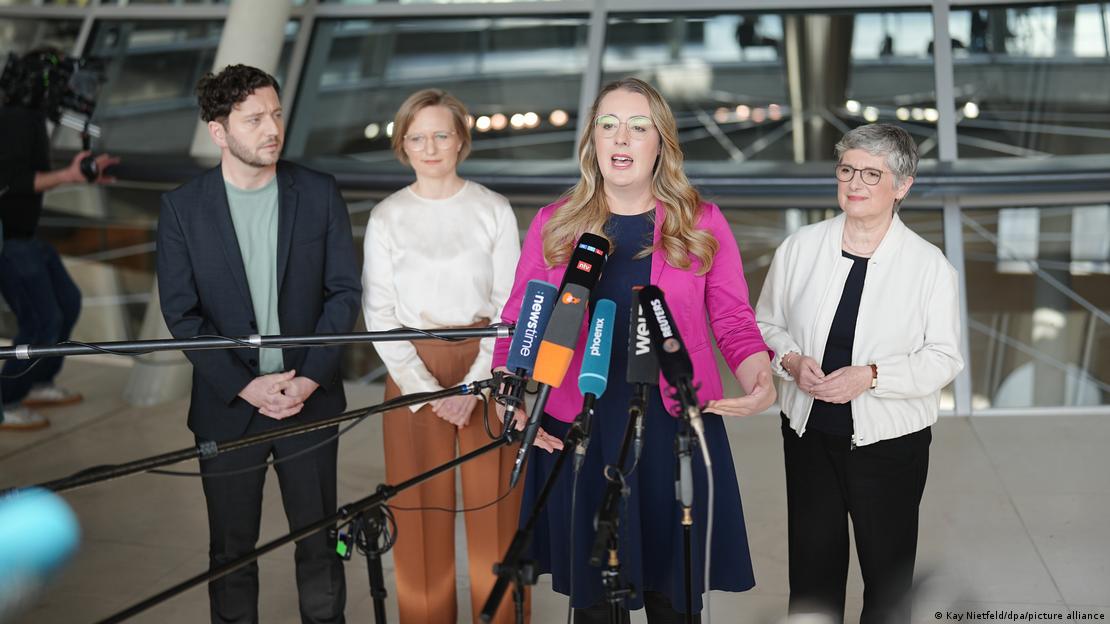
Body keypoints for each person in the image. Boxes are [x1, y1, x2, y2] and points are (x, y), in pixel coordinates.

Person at [492, 77, 776, 622]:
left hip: (671, 426)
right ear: (593, 142)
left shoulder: (701, 222)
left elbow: (734, 320)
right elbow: (518, 321)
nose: (621, 138)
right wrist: (512, 393)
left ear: (660, 143)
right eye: (608, 125)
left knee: (674, 598)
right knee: (598, 603)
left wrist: (758, 376)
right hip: (582, 428)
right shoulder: (557, 225)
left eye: (638, 127)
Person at [157, 64, 360, 624]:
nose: (272, 128)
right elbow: (183, 315)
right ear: (219, 131)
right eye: (254, 119)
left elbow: (343, 293)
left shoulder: (317, 192)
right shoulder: (182, 208)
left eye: (275, 113)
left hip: (309, 401)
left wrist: (310, 377)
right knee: (230, 552)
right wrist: (246, 385)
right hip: (228, 408)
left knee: (320, 543)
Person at [755, 123, 964, 623]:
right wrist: (789, 359)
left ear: (903, 186)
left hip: (890, 444)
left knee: (887, 578)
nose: (856, 183)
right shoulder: (800, 247)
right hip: (808, 434)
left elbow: (944, 358)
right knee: (812, 573)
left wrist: (870, 376)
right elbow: (764, 324)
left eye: (873, 174)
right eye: (847, 169)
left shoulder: (929, 267)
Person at [361, 88, 525, 624]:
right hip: (412, 372)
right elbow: (379, 312)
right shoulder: (387, 217)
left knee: (495, 518)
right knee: (418, 517)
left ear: (461, 140)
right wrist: (428, 391)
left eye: (440, 135)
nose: (429, 147)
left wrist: (476, 385)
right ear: (402, 144)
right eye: (417, 137)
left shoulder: (493, 209)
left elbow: (510, 306)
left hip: (488, 367)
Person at [0, 49, 119, 431]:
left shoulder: (28, 118)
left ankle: (37, 382)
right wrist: (69, 176)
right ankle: (5, 400)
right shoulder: (16, 120)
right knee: (41, 320)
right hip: (11, 243)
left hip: (27, 237)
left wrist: (78, 175)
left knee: (67, 304)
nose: (78, 94)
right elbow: (11, 183)